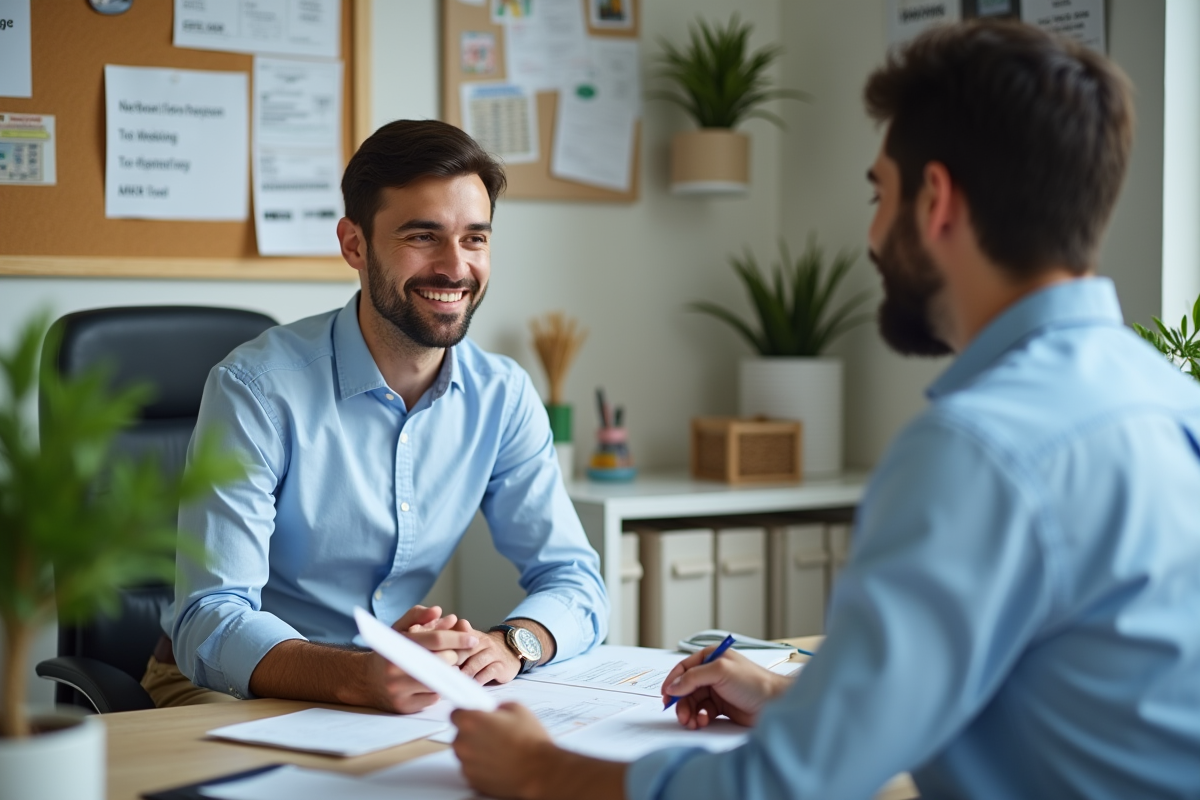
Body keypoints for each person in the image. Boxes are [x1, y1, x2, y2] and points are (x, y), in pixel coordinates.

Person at [449, 20, 1200, 799]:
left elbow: (785, 788)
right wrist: (793, 700)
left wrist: (541, 769)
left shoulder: (975, 449)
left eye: (880, 194)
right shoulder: (1172, 401)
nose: (872, 235)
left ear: (936, 200)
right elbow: (1056, 692)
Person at [142, 120, 608, 712]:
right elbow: (208, 618)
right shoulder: (256, 389)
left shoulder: (503, 395)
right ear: (354, 245)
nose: (455, 267)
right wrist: (359, 675)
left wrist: (512, 643)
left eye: (474, 238)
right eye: (423, 236)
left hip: (383, 693)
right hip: (229, 686)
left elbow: (575, 580)